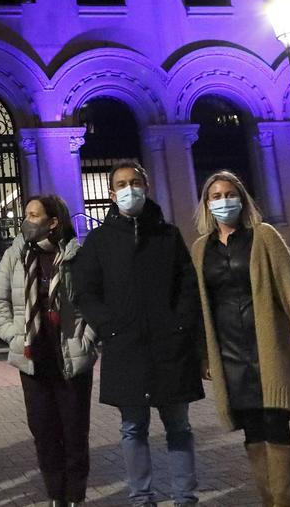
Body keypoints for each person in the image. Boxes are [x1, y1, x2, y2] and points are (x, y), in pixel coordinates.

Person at [72, 159, 203, 507]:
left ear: (146, 187)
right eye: (122, 184)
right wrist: (109, 327)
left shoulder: (168, 235)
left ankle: (185, 497)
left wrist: (180, 325)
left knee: (179, 427)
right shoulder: (99, 241)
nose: (130, 189)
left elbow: (188, 286)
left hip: (169, 348)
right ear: (111, 193)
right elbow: (86, 291)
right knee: (133, 428)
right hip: (126, 347)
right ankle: (142, 497)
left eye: (136, 182)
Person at [190, 171, 290, 507]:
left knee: (276, 425)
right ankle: (268, 501)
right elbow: (199, 306)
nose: (223, 201)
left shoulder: (264, 236)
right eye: (216, 196)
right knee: (252, 431)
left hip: (269, 347)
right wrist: (205, 355)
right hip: (230, 353)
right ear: (206, 204)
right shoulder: (200, 248)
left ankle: (283, 503)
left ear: (243, 198)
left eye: (229, 194)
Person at [0, 195, 96, 507]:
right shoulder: (16, 254)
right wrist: (13, 336)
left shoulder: (77, 255)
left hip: (69, 356)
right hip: (33, 358)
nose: (26, 221)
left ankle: (75, 496)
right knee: (44, 433)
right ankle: (55, 495)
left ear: (53, 222)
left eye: (33, 215)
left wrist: (86, 339)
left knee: (74, 432)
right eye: (25, 215)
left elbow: (94, 301)